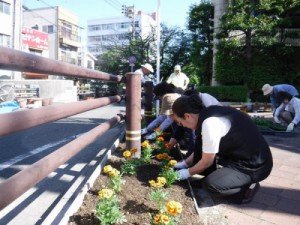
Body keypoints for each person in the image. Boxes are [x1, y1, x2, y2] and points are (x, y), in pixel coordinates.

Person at [172, 94, 273, 204]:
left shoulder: (210, 124)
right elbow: (202, 148)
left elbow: (206, 162)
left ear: (187, 116)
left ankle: (248, 187)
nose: (183, 125)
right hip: (240, 156)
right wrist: (184, 164)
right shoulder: (208, 112)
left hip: (254, 166)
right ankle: (227, 178)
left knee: (212, 185)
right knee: (199, 154)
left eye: (181, 122)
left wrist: (186, 173)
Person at [167, 90, 222, 158]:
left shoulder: (206, 104)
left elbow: (194, 138)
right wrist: (168, 147)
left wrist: (189, 159)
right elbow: (178, 132)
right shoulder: (188, 112)